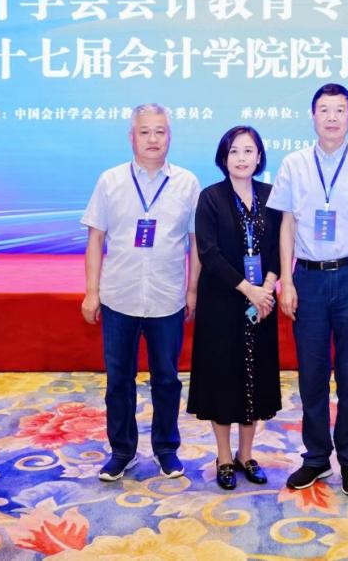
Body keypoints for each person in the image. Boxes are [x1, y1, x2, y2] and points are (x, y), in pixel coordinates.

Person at [267, 83, 348, 497]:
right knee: (312, 375)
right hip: (308, 278)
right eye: (325, 109)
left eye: (340, 109)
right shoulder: (294, 163)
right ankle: (317, 457)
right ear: (313, 116)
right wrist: (286, 281)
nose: (332, 117)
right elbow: (286, 225)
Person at [80, 103, 201, 482]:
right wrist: (91, 292)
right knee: (119, 379)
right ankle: (122, 451)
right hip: (119, 296)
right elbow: (95, 238)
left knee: (166, 378)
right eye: (145, 131)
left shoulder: (187, 183)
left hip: (167, 297)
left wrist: (192, 290)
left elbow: (196, 242)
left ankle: (166, 448)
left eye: (160, 131)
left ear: (170, 137)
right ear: (131, 137)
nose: (153, 139)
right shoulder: (110, 181)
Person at [187, 125, 282, 490]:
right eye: (234, 151)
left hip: (262, 302)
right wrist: (249, 290)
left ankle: (246, 453)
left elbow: (280, 246)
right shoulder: (210, 197)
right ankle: (224, 456)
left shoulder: (271, 196)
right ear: (223, 158)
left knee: (256, 376)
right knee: (222, 377)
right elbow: (208, 253)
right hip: (222, 301)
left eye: (248, 151)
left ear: (259, 157)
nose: (241, 158)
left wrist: (267, 288)